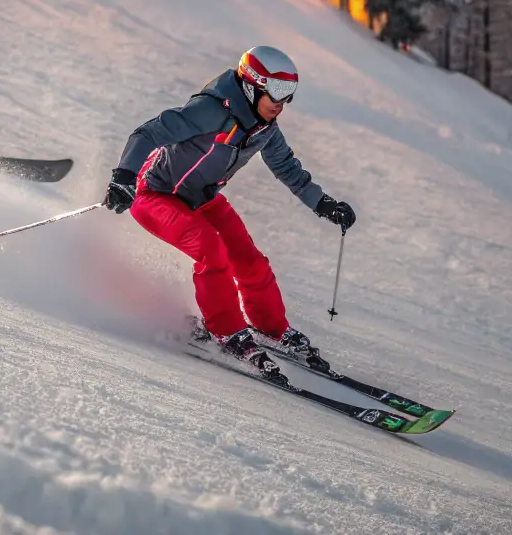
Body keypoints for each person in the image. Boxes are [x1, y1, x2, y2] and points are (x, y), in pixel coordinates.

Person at [103, 46, 355, 379]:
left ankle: (271, 327)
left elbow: (287, 168)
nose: (281, 102)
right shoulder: (209, 111)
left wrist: (323, 204)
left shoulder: (265, 128)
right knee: (210, 248)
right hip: (155, 193)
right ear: (252, 85)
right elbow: (149, 133)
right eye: (276, 91)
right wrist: (124, 176)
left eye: (289, 93)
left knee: (249, 259)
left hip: (200, 198)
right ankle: (226, 330)